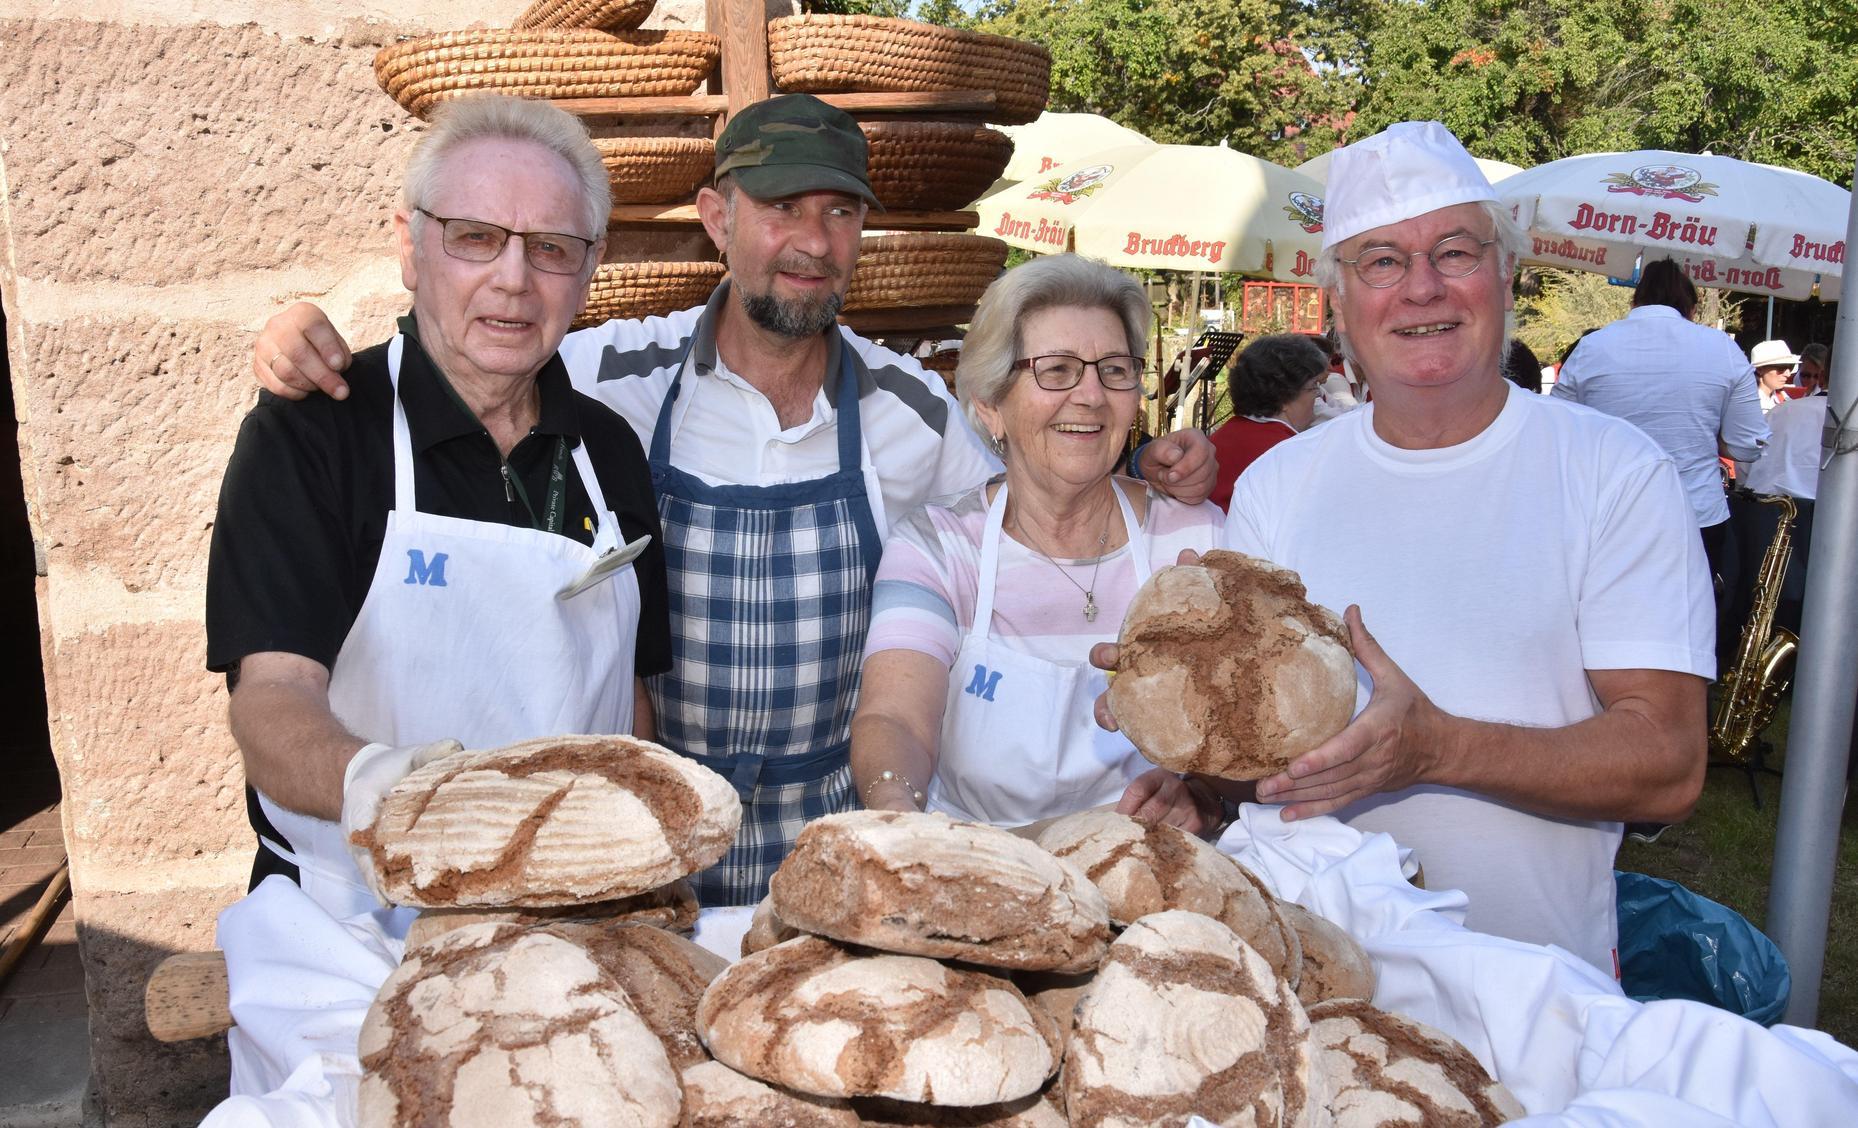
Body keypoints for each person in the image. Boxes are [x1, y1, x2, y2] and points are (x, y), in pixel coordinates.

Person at [248, 93, 1216, 905]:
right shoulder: (610, 380)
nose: (812, 241)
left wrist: (1147, 471)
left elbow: (1035, 507)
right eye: (780, 208)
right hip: (656, 848)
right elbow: (482, 342)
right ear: (717, 219)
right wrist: (307, 339)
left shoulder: (910, 412)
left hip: (833, 849)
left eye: (839, 213)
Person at [1102, 121, 1714, 974]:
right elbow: (1269, 762)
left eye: (1455, 252)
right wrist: (1197, 767)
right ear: (1340, 306)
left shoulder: (1614, 472)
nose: (1421, 288)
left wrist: (1438, 748)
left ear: (1505, 276)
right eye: (1382, 261)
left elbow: (1670, 764)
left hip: (1532, 986)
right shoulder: (1282, 484)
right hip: (1314, 975)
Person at [206, 95, 672, 923]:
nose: (514, 280)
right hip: (352, 922)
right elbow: (270, 699)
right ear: (410, 245)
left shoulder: (610, 453)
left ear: (590, 266)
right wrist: (387, 786)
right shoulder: (311, 438)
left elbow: (625, 695)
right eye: (475, 237)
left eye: (552, 249)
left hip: (568, 919)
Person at [851, 255, 1225, 832]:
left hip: (1157, 882)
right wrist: (899, 814)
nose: (1092, 396)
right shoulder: (938, 546)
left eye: (1115, 369)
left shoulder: (1198, 541)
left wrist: (1204, 795)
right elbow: (895, 718)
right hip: (978, 871)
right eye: (1056, 370)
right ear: (990, 405)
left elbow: (1257, 735)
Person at [1552, 258, 1768, 619]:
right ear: (1692, 307)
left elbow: (1558, 430)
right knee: (1687, 625)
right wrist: (1705, 433)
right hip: (1695, 515)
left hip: (1605, 513)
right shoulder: (1722, 350)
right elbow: (1749, 446)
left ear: (1635, 302)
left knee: (1604, 622)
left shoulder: (1594, 348)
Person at [1207, 333, 1328, 509]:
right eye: (1313, 387)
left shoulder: (1218, 437)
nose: (1318, 395)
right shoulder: (1291, 452)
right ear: (1285, 397)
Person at [1750, 339, 1802, 413]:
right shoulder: (1746, 403)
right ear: (1759, 369)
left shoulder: (1785, 400)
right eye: (1781, 367)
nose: (1788, 374)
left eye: (1791, 367)